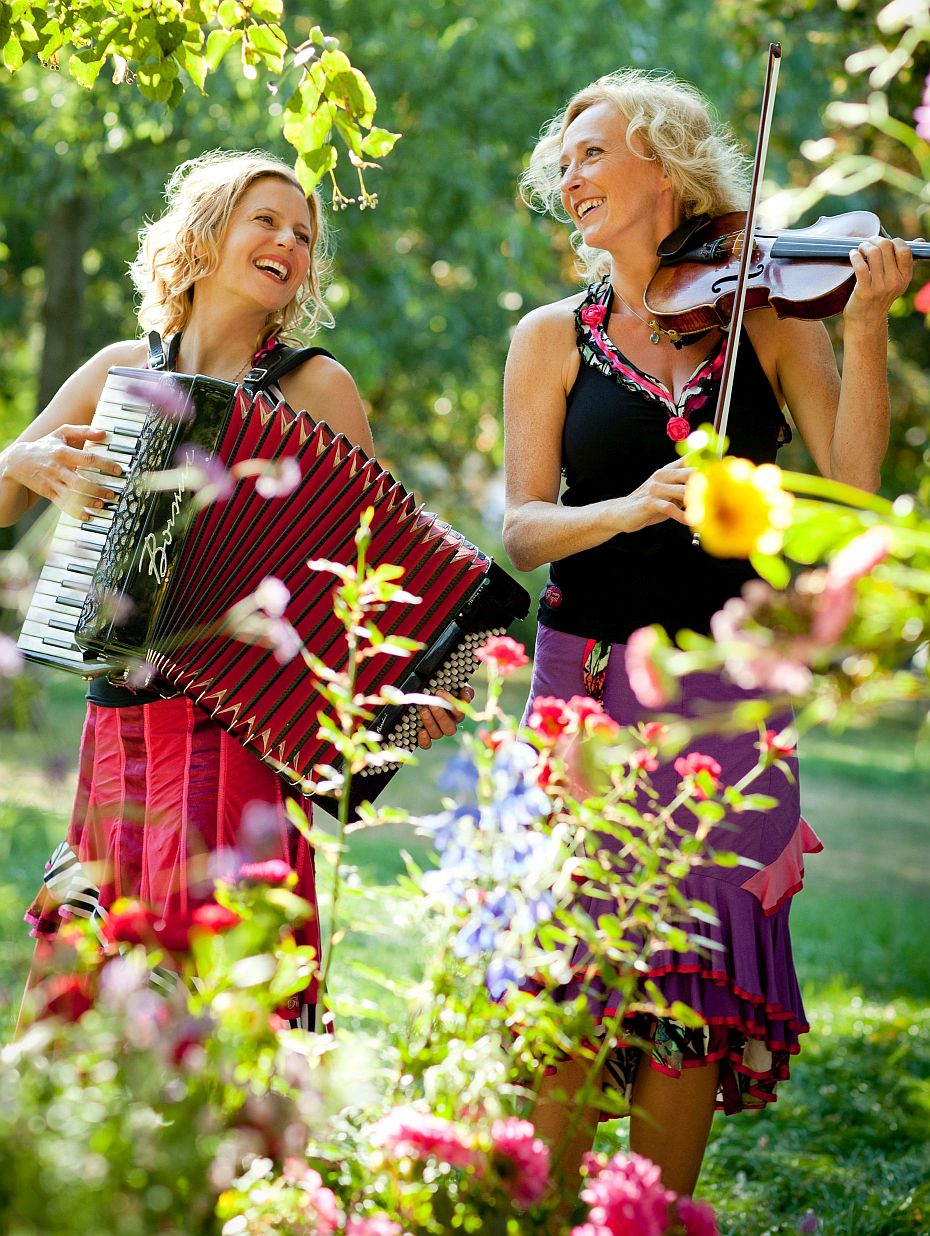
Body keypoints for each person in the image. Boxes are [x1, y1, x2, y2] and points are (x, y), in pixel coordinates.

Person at [502, 69, 914, 1200]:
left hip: (731, 685)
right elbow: (523, 527)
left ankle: (646, 1218)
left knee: (691, 980)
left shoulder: (771, 319)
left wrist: (866, 326)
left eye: (594, 152)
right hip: (587, 680)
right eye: (565, 162)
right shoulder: (550, 338)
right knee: (576, 977)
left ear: (666, 163)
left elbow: (853, 493)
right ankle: (541, 1218)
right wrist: (628, 508)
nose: (571, 177)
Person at [0, 149, 465, 1031]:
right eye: (267, 221)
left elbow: (384, 563)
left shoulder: (315, 385)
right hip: (118, 730)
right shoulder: (118, 371)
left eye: (304, 235)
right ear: (207, 236)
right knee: (90, 1000)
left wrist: (422, 682)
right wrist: (24, 460)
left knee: (223, 1002)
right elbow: (7, 492)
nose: (289, 242)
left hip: (241, 735)